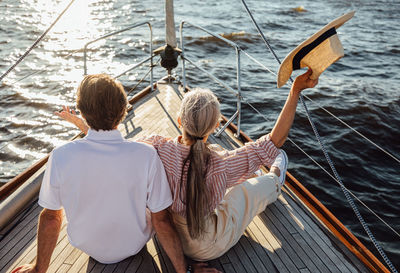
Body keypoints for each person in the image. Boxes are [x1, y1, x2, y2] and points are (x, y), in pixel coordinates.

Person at [55, 68, 318, 261]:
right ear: (215, 126)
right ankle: (274, 179)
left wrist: (81, 124)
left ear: (179, 121)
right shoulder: (220, 165)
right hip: (205, 246)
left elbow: (113, 141)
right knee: (247, 191)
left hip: (167, 238)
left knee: (227, 179)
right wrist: (294, 91)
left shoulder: (155, 147)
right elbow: (274, 141)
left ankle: (261, 180)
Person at [12, 74, 220, 273]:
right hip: (134, 244)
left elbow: (50, 218)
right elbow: (162, 221)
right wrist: (186, 270)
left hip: (86, 244)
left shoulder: (60, 156)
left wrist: (38, 269)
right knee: (153, 205)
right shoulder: (146, 155)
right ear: (123, 111)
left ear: (82, 113)